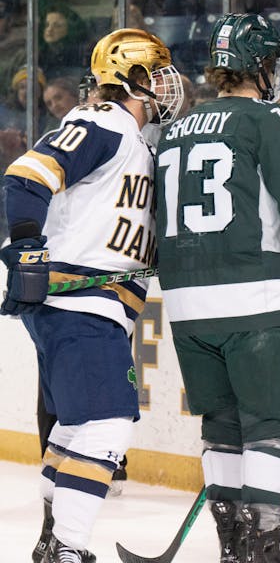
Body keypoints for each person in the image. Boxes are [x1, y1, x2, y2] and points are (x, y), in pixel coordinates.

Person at [154, 13, 280, 563]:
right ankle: (265, 545)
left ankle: (233, 548)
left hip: (188, 308)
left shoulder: (174, 129)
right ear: (260, 66)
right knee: (269, 424)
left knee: (221, 426)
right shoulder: (273, 120)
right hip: (255, 298)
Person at [2, 28, 184, 563]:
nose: (168, 87)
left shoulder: (132, 141)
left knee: (78, 428)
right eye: (158, 75)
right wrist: (28, 246)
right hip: (82, 303)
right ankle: (68, 546)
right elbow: (25, 175)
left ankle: (51, 541)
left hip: (88, 308)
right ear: (134, 79)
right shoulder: (101, 122)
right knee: (107, 422)